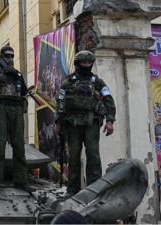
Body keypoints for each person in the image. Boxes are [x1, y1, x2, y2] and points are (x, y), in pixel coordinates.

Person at [55, 50, 116, 196]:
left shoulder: (98, 82)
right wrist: (58, 122)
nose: (87, 65)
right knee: (74, 156)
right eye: (84, 62)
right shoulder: (68, 82)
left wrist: (110, 121)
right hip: (73, 123)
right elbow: (61, 103)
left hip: (91, 121)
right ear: (78, 63)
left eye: (89, 62)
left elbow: (108, 100)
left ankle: (95, 189)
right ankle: (72, 189)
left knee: (93, 154)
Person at [0, 45, 34, 194]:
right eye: (7, 56)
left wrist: (15, 76)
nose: (10, 59)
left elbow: (24, 92)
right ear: (1, 56)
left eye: (12, 56)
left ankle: (21, 180)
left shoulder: (17, 74)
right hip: (1, 107)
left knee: (19, 144)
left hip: (16, 109)